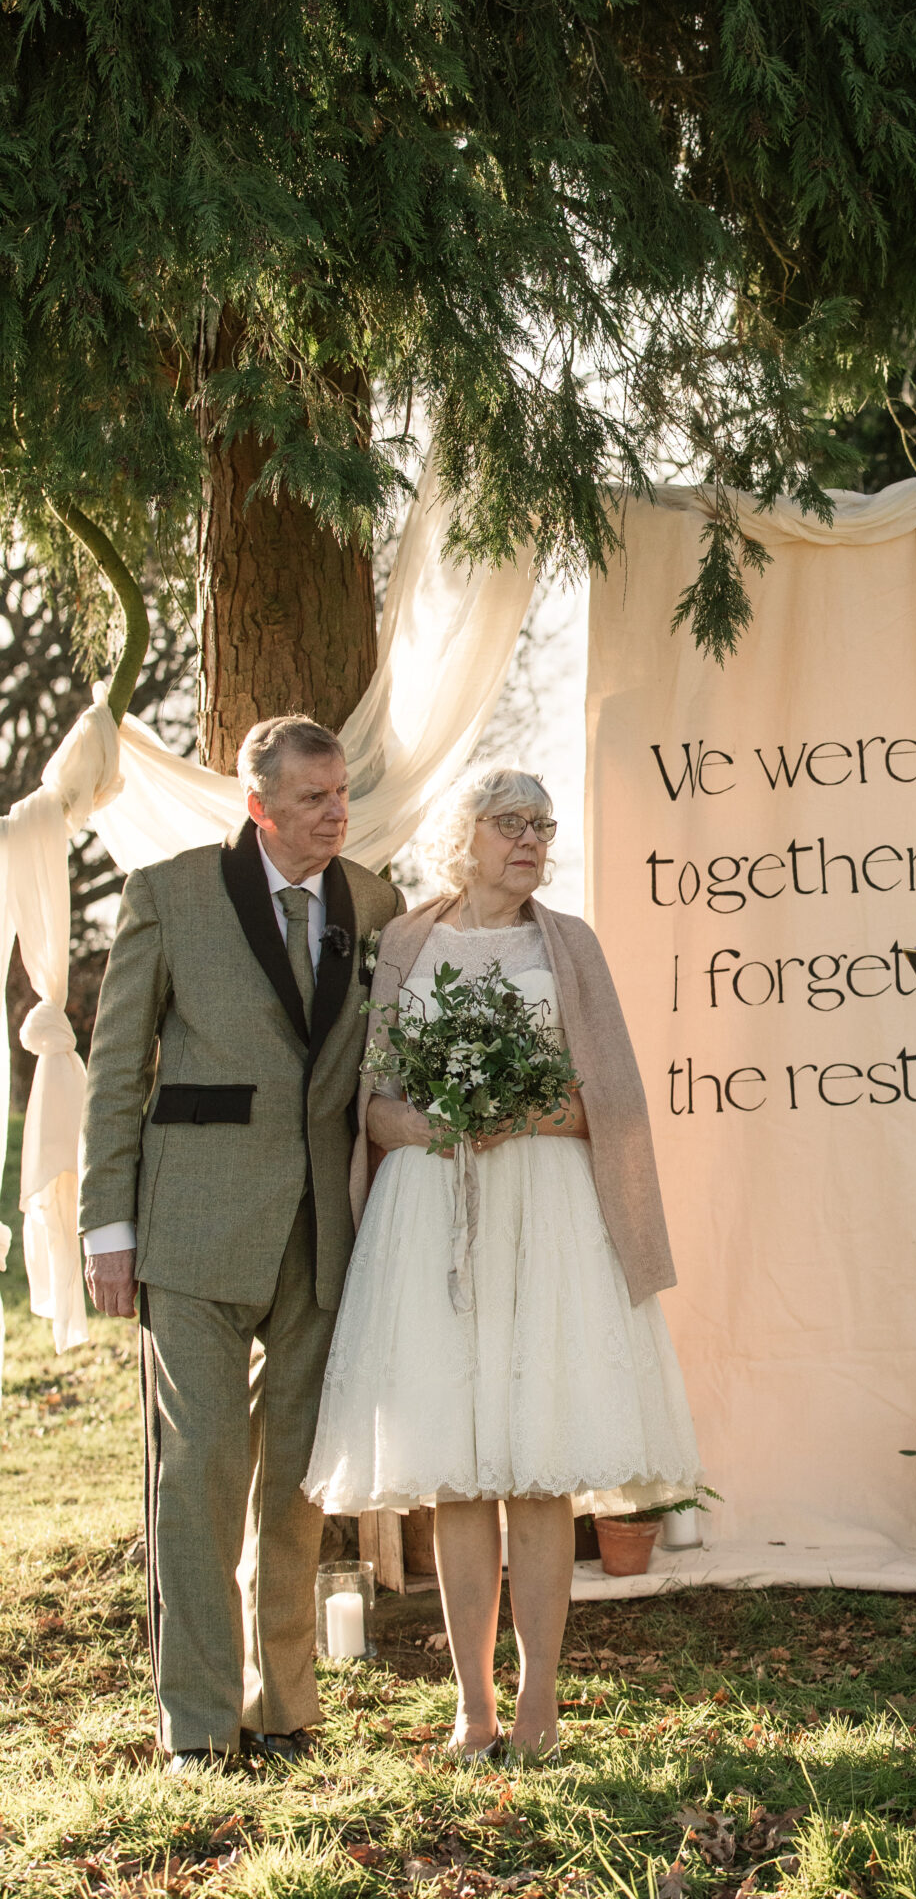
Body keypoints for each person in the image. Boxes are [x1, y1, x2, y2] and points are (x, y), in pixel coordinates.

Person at [305, 765, 701, 1762]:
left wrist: (523, 1111)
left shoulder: (569, 945)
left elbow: (606, 1102)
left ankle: (538, 1702)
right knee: (458, 1471)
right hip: (431, 1214)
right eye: (510, 823)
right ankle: (470, 1705)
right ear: (464, 835)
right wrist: (432, 1122)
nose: (530, 839)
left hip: (549, 1216)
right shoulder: (407, 942)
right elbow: (375, 1102)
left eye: (543, 824)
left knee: (536, 1467)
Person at [78, 716, 406, 1773]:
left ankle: (285, 1707)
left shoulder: (374, 904)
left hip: (324, 1233)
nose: (336, 813)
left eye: (342, 793)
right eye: (313, 798)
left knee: (301, 1484)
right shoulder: (168, 895)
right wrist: (109, 1226)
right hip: (193, 1230)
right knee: (201, 1475)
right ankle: (200, 1726)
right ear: (257, 805)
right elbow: (117, 1070)